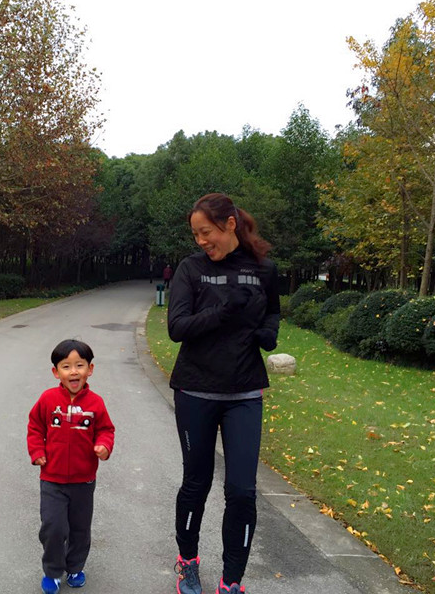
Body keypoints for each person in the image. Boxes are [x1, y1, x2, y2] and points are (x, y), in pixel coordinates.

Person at [167, 193, 280, 594]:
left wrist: (269, 332)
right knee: (196, 483)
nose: (201, 241)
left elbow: (272, 310)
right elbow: (177, 327)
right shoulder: (191, 269)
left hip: (245, 391)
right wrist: (223, 312)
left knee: (242, 492)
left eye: (206, 232)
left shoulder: (263, 269)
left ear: (230, 225)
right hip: (196, 389)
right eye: (196, 234)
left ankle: (232, 581)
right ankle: (188, 561)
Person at [27, 339, 116, 594]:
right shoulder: (47, 399)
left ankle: (75, 566)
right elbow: (35, 427)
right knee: (53, 528)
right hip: (52, 480)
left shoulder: (96, 403)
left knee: (79, 529)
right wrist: (37, 451)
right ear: (56, 372)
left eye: (80, 365)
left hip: (83, 481)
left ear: (90, 369)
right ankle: (53, 571)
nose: (73, 371)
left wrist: (104, 446)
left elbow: (106, 430)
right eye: (66, 366)